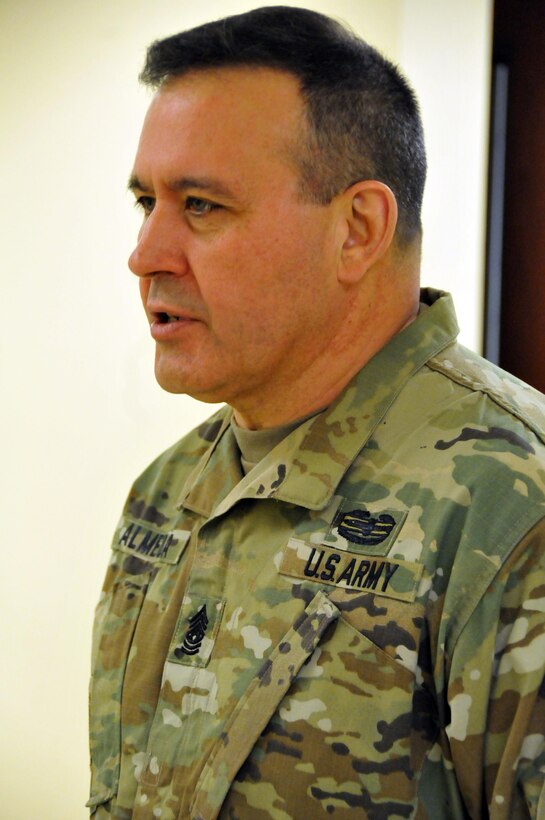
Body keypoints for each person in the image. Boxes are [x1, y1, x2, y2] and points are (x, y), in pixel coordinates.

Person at [88, 7, 545, 819]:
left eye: (199, 205)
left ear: (358, 229)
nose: (146, 254)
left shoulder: (510, 509)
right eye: (144, 202)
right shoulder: (167, 493)